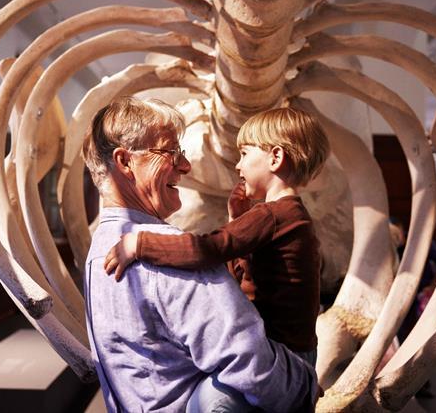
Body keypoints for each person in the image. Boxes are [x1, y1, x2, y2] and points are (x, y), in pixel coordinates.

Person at [82, 97, 318, 412]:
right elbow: (251, 364)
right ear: (125, 162)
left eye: (245, 154)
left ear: (276, 158)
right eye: (170, 152)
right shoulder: (161, 253)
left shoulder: (98, 250)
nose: (186, 165)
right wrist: (303, 385)